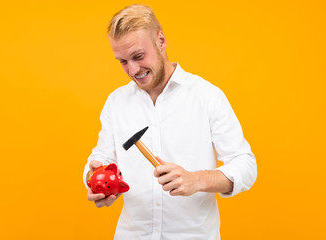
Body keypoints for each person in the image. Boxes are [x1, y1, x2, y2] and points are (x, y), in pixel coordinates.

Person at [83, 4, 257, 240]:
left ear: (161, 41)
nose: (132, 69)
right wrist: (93, 179)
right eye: (123, 61)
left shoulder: (207, 96)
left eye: (138, 56)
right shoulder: (116, 102)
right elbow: (102, 158)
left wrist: (197, 180)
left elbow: (245, 165)